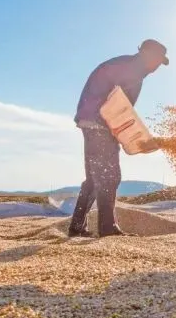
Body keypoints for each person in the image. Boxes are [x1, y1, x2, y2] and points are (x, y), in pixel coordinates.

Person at [68, 39, 169, 237]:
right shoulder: (132, 69)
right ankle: (107, 228)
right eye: (157, 59)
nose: (158, 65)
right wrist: (123, 134)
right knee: (109, 176)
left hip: (92, 119)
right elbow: (118, 105)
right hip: (99, 121)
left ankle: (76, 227)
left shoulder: (130, 67)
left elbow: (121, 107)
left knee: (94, 179)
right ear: (146, 54)